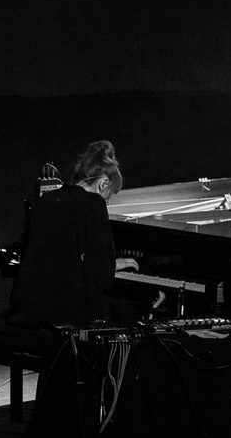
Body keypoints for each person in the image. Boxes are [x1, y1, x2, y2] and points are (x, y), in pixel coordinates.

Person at [7, 139, 136, 329]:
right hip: (62, 311)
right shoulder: (93, 203)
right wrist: (113, 264)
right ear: (103, 183)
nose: (108, 203)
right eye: (110, 196)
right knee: (131, 316)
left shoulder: (46, 200)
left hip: (26, 305)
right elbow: (99, 272)